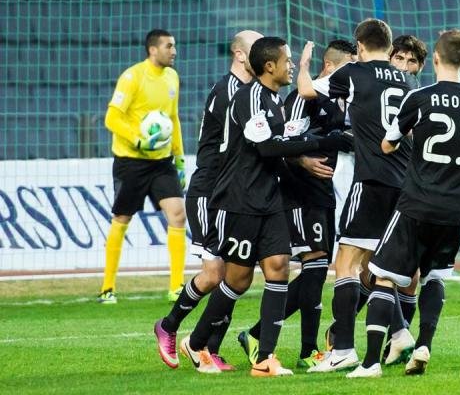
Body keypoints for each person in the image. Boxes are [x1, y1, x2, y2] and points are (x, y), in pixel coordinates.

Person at [175, 37, 351, 377]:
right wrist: (320, 141)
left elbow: (282, 142)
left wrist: (309, 148)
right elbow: (268, 147)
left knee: (279, 267)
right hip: (239, 200)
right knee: (237, 280)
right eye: (287, 61)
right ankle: (196, 343)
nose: (291, 66)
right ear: (270, 66)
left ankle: (265, 358)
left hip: (270, 199)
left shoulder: (274, 99)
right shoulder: (249, 98)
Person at [347, 28, 460, 378]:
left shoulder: (419, 97)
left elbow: (387, 144)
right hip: (455, 208)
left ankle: (370, 363)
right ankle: (423, 343)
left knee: (382, 276)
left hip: (417, 202)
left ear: (434, 59)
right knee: (435, 276)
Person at [296, 18, 420, 373]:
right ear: (390, 46)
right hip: (403, 185)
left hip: (370, 180)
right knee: (377, 266)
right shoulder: (408, 81)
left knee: (346, 264)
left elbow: (306, 91)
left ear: (360, 46)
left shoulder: (353, 73)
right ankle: (399, 332)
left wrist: (304, 65)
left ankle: (343, 349)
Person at [237, 39, 357, 369]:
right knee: (315, 266)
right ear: (330, 66)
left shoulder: (337, 101)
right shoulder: (303, 98)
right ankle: (300, 348)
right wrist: (301, 161)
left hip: (323, 190)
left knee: (318, 268)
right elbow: (281, 143)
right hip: (299, 190)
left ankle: (277, 341)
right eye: (350, 65)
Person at [153, 30, 263, 370]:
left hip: (233, 193)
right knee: (215, 274)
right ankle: (168, 325)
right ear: (240, 55)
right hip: (210, 192)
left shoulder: (249, 92)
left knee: (235, 276)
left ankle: (207, 348)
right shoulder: (228, 91)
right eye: (256, 51)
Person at [98, 29, 186, 304]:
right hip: (131, 161)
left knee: (178, 215)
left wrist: (180, 159)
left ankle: (176, 286)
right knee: (122, 218)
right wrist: (137, 139)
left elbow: (173, 118)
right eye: (169, 46)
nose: (174, 51)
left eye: (174, 46)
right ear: (153, 49)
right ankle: (107, 288)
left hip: (161, 162)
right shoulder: (132, 77)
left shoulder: (172, 77)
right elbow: (111, 118)